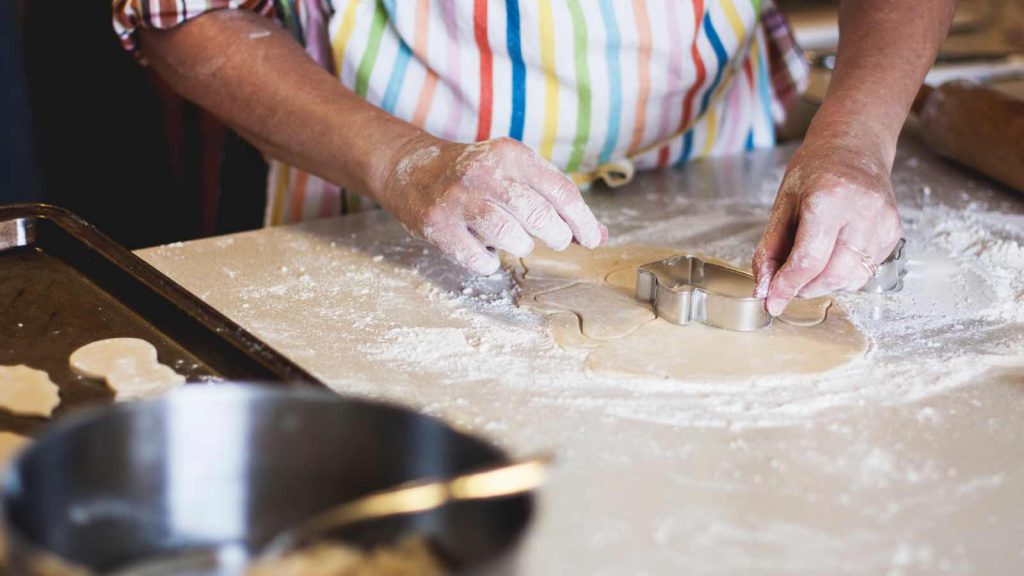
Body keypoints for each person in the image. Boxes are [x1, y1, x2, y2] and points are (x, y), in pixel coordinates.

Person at [112, 0, 954, 315]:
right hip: (387, 218)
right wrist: (403, 162)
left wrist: (855, 136)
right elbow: (182, 15)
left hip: (721, 186)